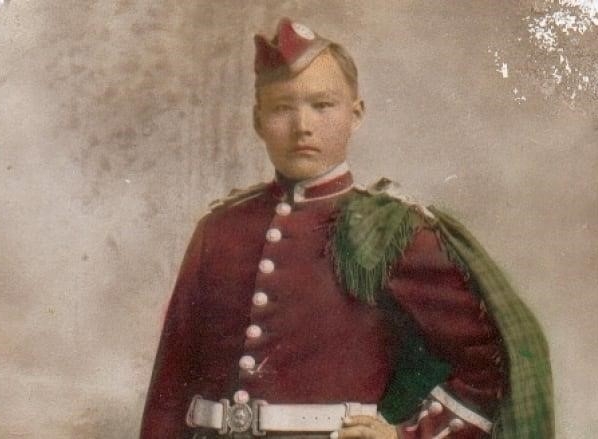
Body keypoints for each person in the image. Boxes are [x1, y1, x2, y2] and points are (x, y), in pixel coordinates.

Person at [141, 18, 553, 439]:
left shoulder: (393, 231)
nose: (303, 126)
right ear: (257, 120)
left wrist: (408, 436)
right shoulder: (220, 230)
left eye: (322, 106)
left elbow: (494, 367)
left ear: (356, 114)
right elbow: (169, 389)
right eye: (283, 107)